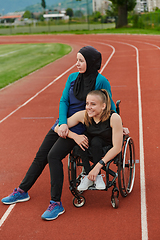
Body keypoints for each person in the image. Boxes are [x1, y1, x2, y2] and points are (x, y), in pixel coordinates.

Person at [1, 46, 116, 221]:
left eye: (80, 61)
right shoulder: (71, 78)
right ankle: (22, 191)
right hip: (63, 123)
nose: (76, 64)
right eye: (77, 60)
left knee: (53, 156)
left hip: (80, 127)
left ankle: (56, 203)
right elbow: (63, 100)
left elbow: (109, 105)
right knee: (41, 156)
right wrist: (62, 123)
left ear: (91, 62)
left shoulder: (101, 81)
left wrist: (117, 125)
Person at [55, 89, 123, 192]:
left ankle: (97, 176)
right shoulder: (84, 115)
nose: (88, 107)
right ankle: (87, 176)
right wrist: (74, 136)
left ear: (103, 106)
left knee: (96, 141)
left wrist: (98, 167)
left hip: (107, 146)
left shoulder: (114, 118)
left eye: (93, 104)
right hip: (90, 146)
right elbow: (57, 127)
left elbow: (117, 148)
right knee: (82, 140)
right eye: (87, 103)